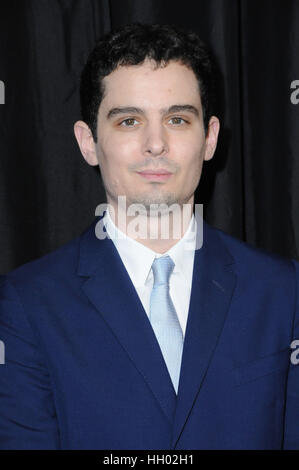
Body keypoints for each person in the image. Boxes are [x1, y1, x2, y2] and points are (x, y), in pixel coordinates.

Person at [0, 23, 298, 450]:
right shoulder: (25, 305)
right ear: (88, 142)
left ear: (210, 138)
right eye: (129, 121)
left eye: (177, 119)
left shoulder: (284, 292)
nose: (155, 143)